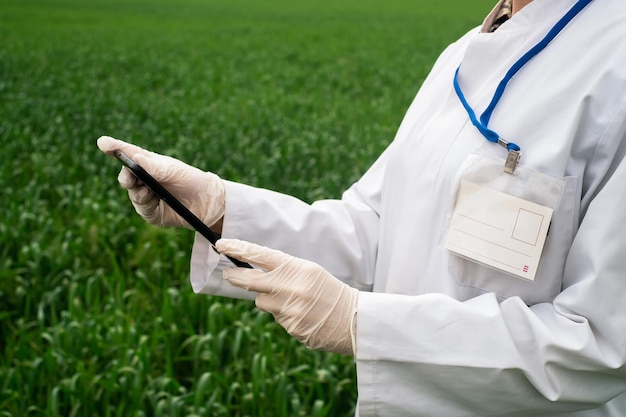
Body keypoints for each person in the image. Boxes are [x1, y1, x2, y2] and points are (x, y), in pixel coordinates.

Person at [98, 0, 626, 415]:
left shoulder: (614, 61)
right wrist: (220, 209)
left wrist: (363, 323)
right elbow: (375, 226)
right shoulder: (467, 52)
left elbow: (600, 345)